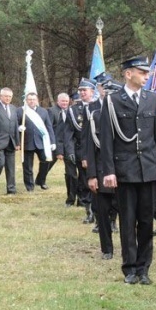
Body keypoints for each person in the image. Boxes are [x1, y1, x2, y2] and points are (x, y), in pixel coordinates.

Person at [100, 55, 156, 284]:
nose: (146, 76)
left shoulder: (151, 99)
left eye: (147, 72)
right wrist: (109, 171)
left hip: (149, 169)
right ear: (128, 73)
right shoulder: (112, 101)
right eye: (142, 72)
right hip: (125, 170)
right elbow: (107, 139)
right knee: (128, 221)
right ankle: (130, 268)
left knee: (147, 221)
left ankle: (144, 268)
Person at [83, 79, 115, 259]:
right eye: (105, 91)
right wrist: (92, 175)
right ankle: (107, 249)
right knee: (102, 214)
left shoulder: (123, 115)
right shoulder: (94, 115)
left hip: (122, 173)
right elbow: (90, 147)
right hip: (101, 172)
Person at [73, 79, 101, 222]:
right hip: (84, 152)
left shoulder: (98, 106)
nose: (82, 93)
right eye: (81, 90)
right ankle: (89, 212)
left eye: (85, 90)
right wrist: (84, 156)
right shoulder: (79, 108)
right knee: (85, 183)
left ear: (92, 91)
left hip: (100, 152)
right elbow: (83, 135)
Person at [17, 92, 55, 192]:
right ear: (26, 100)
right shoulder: (20, 111)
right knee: (27, 166)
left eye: (33, 99)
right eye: (29, 99)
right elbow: (14, 125)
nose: (32, 101)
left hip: (41, 142)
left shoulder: (43, 111)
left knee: (46, 161)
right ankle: (29, 186)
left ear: (37, 100)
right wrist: (18, 128)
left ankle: (41, 181)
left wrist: (52, 141)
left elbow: (49, 127)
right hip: (26, 142)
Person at [49, 92, 78, 205]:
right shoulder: (64, 115)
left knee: (83, 177)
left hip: (82, 150)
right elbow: (59, 134)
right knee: (71, 175)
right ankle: (70, 199)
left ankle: (82, 200)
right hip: (68, 149)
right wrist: (59, 151)